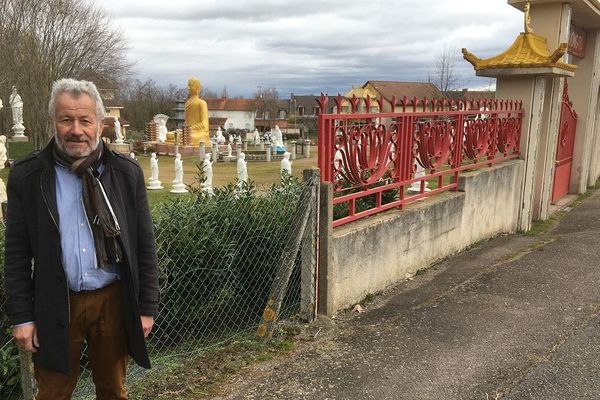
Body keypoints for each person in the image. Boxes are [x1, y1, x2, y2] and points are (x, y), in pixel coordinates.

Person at [4, 78, 159, 400]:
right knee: (52, 393)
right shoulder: (28, 176)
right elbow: (17, 252)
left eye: (85, 120)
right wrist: (22, 317)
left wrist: (146, 308)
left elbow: (144, 245)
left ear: (100, 124)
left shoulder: (126, 173)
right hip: (56, 301)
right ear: (53, 123)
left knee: (113, 390)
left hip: (113, 300)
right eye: (66, 119)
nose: (77, 130)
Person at [184, 77, 209, 146]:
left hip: (199, 132)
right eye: (188, 86)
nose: (188, 88)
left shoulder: (202, 103)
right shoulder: (187, 103)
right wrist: (185, 129)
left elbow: (204, 124)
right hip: (188, 131)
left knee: (190, 137)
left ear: (197, 88)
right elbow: (186, 122)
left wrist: (191, 128)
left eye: (191, 86)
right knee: (172, 135)